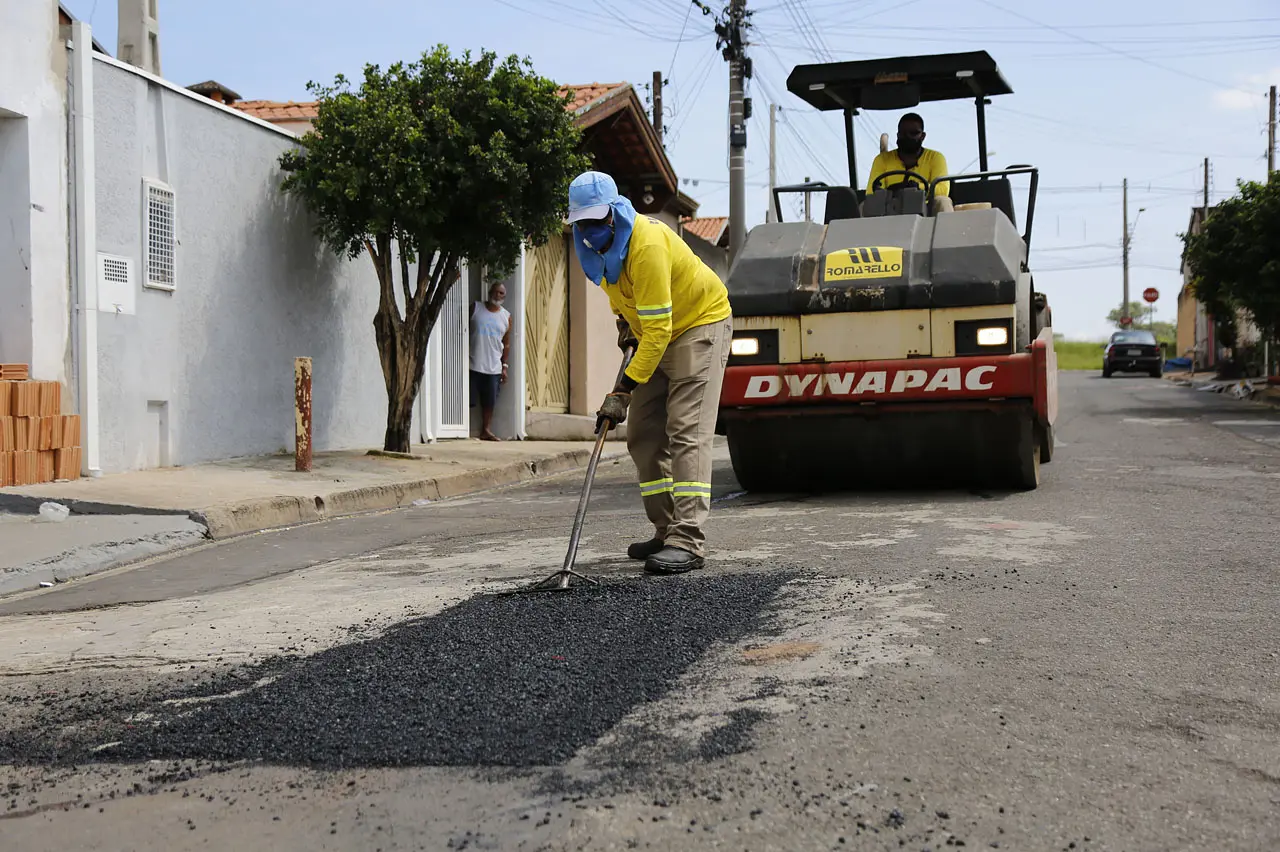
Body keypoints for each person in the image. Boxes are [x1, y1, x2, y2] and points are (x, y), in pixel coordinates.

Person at [567, 171, 733, 575]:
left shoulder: (647, 244)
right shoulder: (590, 245)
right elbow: (619, 293)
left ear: (613, 212)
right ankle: (666, 529)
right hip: (653, 333)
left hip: (699, 325)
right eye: (581, 222)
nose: (589, 229)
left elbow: (659, 329)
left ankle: (688, 539)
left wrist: (622, 389)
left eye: (596, 219)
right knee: (642, 435)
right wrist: (624, 324)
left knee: (686, 431)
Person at [867, 112, 950, 200]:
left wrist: (916, 187)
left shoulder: (935, 158)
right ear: (898, 135)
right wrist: (892, 192)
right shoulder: (882, 160)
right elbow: (871, 193)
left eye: (913, 133)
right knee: (864, 206)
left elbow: (943, 190)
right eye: (903, 133)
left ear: (922, 136)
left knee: (943, 201)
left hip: (927, 208)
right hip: (890, 208)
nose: (908, 137)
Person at [469, 282, 511, 442]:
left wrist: (504, 366)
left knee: (490, 401)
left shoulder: (506, 317)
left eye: (501, 293)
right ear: (489, 292)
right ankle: (461, 430)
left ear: (504, 297)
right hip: (473, 363)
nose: (497, 295)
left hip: (493, 367)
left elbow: (506, 343)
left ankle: (486, 430)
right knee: (468, 399)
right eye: (495, 292)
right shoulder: (476, 308)